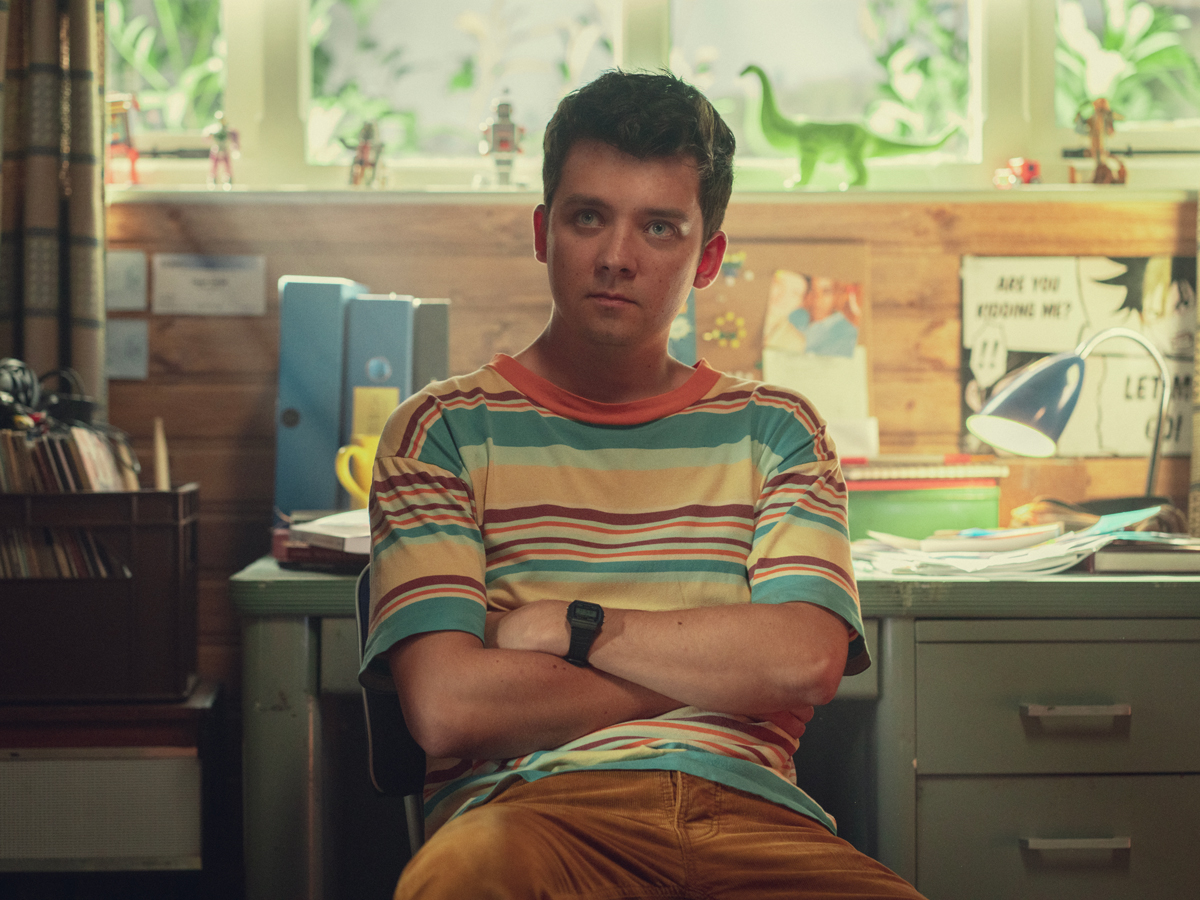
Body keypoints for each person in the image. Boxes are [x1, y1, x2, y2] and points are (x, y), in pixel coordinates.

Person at [362, 70, 926, 899]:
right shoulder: (439, 431)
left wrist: (565, 627)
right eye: (588, 217)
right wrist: (719, 670)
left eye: (659, 227)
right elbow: (450, 710)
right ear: (543, 232)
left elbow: (805, 659)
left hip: (755, 821)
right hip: (530, 818)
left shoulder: (778, 430)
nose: (616, 258)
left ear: (708, 259)